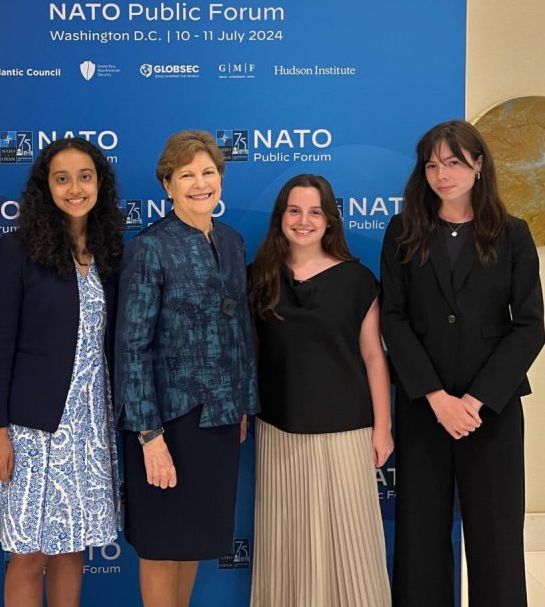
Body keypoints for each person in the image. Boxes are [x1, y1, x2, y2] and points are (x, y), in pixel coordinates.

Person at [381, 119, 544, 607]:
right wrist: (436, 398)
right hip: (424, 410)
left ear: (478, 165)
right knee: (420, 538)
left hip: (489, 412)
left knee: (496, 540)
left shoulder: (512, 233)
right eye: (432, 164)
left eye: (453, 162)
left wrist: (473, 400)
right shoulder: (404, 230)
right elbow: (393, 317)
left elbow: (531, 325)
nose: (441, 174)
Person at [115, 129, 259, 607]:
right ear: (167, 185)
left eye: (208, 172)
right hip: (167, 422)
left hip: (219, 419)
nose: (200, 184)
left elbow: (240, 330)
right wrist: (149, 436)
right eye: (187, 175)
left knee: (195, 540)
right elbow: (132, 348)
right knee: (161, 545)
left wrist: (241, 404)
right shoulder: (149, 248)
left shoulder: (233, 241)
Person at [0, 138, 123, 607]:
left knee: (72, 549)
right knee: (29, 554)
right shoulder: (18, 250)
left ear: (99, 182)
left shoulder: (110, 253)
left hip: (91, 429)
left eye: (85, 176)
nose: (75, 188)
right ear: (47, 187)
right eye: (62, 178)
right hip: (33, 430)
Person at [248, 173, 392, 607]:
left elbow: (373, 357)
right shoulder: (259, 277)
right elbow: (249, 356)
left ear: (330, 220)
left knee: (351, 545)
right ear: (281, 218)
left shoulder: (357, 280)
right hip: (280, 430)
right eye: (294, 210)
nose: (304, 220)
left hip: (346, 431)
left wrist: (382, 427)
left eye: (314, 211)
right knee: (286, 541)